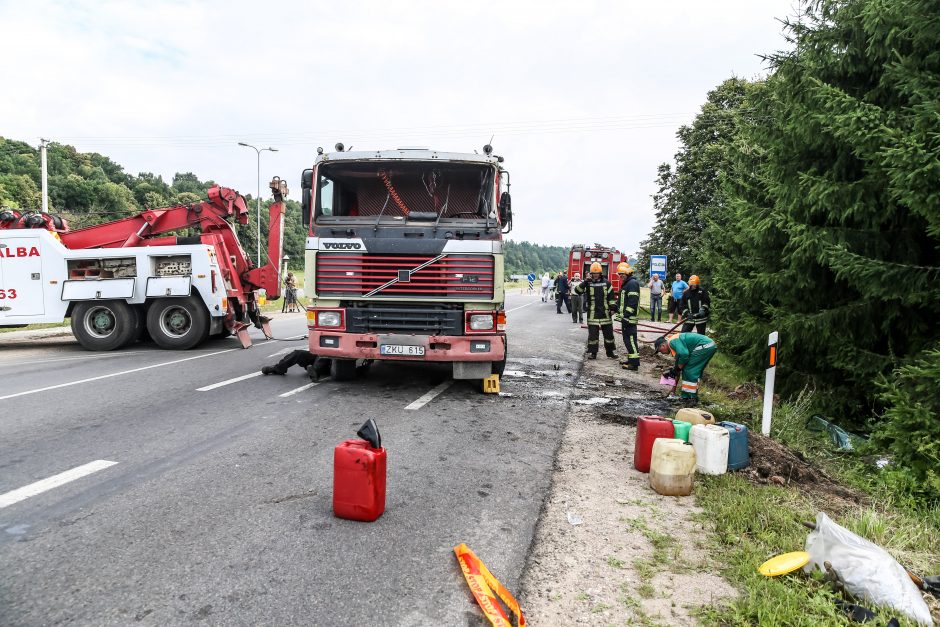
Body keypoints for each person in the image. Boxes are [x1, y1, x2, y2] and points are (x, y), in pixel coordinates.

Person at [655, 332, 717, 405]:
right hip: (708, 346)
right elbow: (678, 368)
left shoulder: (672, 342)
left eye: (660, 351)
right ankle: (690, 397)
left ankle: (689, 398)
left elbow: (684, 355)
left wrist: (677, 369)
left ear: (663, 345)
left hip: (705, 346)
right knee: (693, 370)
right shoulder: (674, 345)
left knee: (689, 370)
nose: (661, 353)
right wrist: (673, 390)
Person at [575, 262, 617, 359]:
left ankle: (610, 352)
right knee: (593, 336)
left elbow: (611, 297)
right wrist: (585, 282)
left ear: (600, 273)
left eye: (597, 273)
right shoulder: (588, 283)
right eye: (593, 273)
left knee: (609, 335)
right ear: (591, 273)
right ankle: (593, 353)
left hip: (605, 313)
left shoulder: (607, 283)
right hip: (593, 313)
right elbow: (578, 291)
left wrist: (613, 308)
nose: (595, 275)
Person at [614, 263, 640, 371]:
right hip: (626, 318)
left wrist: (626, 315)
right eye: (619, 275)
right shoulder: (627, 284)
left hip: (629, 319)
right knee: (627, 340)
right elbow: (622, 302)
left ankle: (634, 364)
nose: (621, 276)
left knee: (631, 340)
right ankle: (631, 359)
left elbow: (632, 302)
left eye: (622, 274)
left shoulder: (632, 283)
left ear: (628, 273)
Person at [261, 350, 331, 380]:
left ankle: (315, 372)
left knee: (327, 354)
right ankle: (279, 368)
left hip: (335, 362)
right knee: (299, 353)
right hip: (319, 356)